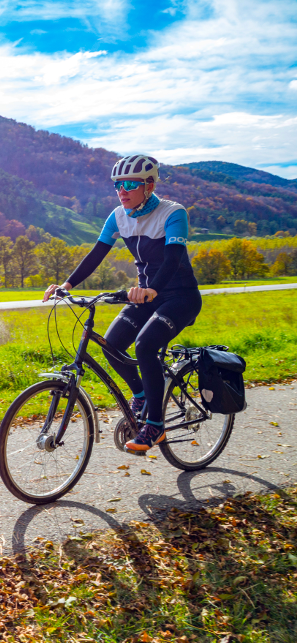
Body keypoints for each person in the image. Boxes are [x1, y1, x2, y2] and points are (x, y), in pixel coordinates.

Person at [43, 155, 202, 452]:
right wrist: (66, 285)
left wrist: (152, 289)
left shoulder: (173, 213)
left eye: (130, 184)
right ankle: (141, 394)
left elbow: (172, 259)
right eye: (117, 185)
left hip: (179, 297)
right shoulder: (118, 215)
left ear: (150, 185)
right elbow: (96, 253)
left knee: (145, 346)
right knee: (111, 343)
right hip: (145, 295)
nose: (122, 190)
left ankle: (154, 426)